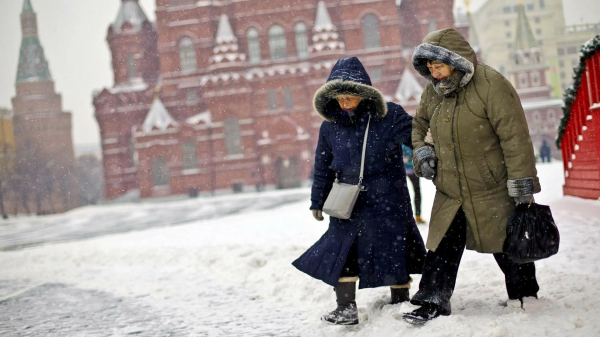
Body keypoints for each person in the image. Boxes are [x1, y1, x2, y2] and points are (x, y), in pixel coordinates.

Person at [402, 29, 542, 325]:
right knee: (440, 246)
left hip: (490, 186)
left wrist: (522, 183)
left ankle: (524, 295)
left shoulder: (491, 85)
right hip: (450, 187)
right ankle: (432, 300)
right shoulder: (433, 89)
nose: (433, 71)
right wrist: (423, 152)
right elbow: (418, 127)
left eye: (437, 65)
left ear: (456, 61)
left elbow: (515, 138)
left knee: (508, 242)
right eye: (428, 66)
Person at [292, 57, 426, 325]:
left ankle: (400, 299)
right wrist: (317, 200)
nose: (343, 101)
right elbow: (323, 166)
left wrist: (427, 153)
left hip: (388, 196)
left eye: (349, 95)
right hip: (347, 200)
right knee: (343, 250)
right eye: (338, 96)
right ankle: (345, 307)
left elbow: (417, 137)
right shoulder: (329, 126)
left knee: (393, 246)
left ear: (363, 94)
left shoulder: (389, 115)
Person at [402, 144, 425, 224]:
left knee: (416, 192)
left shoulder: (410, 140)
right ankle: (405, 216)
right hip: (403, 170)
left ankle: (417, 215)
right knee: (404, 193)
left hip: (412, 170)